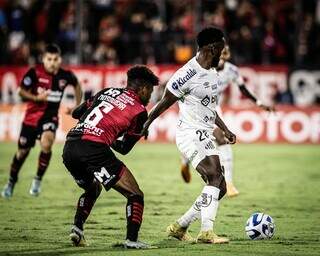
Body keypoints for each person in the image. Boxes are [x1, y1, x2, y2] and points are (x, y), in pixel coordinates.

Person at [141, 27, 235, 244]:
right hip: (189, 134)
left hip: (206, 133)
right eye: (220, 51)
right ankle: (206, 232)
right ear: (211, 49)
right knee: (215, 178)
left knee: (218, 188)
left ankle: (180, 226)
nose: (221, 56)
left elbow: (210, 109)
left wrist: (225, 128)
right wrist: (146, 123)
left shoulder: (212, 73)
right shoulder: (186, 74)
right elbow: (164, 102)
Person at [62, 65, 159, 249]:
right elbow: (124, 148)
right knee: (135, 194)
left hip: (70, 146)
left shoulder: (107, 91)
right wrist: (134, 133)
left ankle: (77, 229)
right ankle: (132, 240)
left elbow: (76, 113)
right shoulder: (139, 111)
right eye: (150, 91)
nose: (150, 97)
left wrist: (95, 127)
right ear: (144, 89)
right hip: (94, 148)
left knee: (92, 189)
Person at [180, 45, 274, 197]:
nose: (221, 58)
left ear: (227, 56)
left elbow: (243, 89)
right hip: (195, 107)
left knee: (221, 140)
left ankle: (229, 183)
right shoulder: (203, 67)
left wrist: (258, 103)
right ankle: (185, 161)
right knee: (194, 139)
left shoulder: (232, 71)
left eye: (224, 55)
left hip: (214, 108)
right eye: (219, 55)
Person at [1, 44, 82, 198]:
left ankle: (37, 180)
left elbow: (77, 85)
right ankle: (11, 181)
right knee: (22, 153)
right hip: (31, 119)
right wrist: (36, 98)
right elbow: (20, 92)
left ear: (60, 60)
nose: (52, 62)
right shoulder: (34, 72)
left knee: (46, 143)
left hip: (50, 117)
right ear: (44, 59)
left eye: (55, 59)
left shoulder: (65, 75)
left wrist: (76, 106)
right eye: (49, 59)